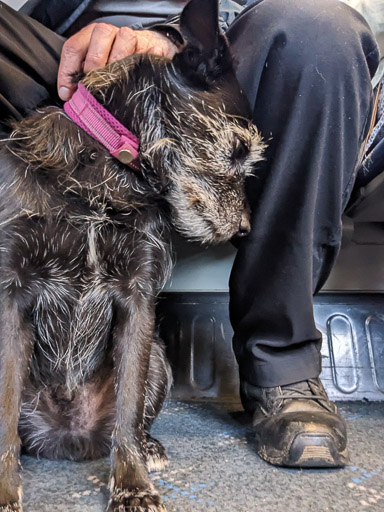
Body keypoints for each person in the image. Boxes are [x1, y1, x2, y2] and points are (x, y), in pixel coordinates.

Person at [0, 0, 379, 468]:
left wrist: (174, 43)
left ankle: (283, 362)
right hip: (68, 74)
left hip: (207, 65)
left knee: (321, 29)